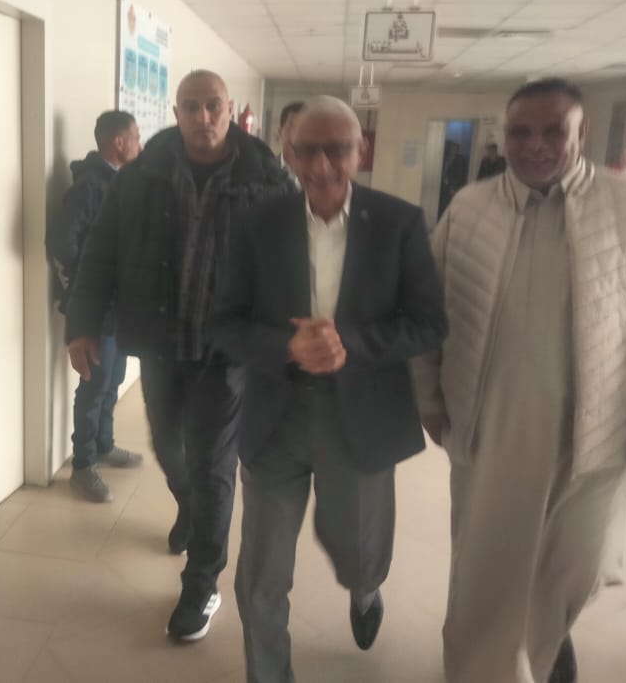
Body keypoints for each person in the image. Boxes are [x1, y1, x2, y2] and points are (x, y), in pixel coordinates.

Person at [412, 77, 626, 683]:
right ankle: (485, 669)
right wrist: (428, 398)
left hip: (597, 432)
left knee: (572, 568)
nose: (536, 144)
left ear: (583, 132)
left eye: (555, 130)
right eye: (521, 132)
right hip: (492, 426)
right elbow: (426, 313)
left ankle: (540, 649)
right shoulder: (469, 208)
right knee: (487, 572)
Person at [211, 98, 447, 682]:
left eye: (337, 149)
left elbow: (428, 323)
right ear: (287, 153)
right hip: (276, 413)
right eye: (306, 151)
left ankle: (365, 591)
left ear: (360, 151)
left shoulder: (398, 222)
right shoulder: (257, 222)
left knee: (358, 553)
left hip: (362, 417)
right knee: (262, 574)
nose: (321, 165)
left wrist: (351, 345)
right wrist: (286, 346)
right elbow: (224, 323)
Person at [65, 70, 291, 641]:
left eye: (213, 105)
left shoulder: (267, 178)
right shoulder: (141, 175)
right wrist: (82, 324)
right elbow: (100, 252)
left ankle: (201, 583)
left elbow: (294, 264)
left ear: (231, 109)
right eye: (191, 106)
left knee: (215, 466)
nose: (202, 117)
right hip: (162, 343)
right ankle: (189, 506)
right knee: (170, 449)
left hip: (227, 354)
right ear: (176, 112)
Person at [46, 110, 144, 502]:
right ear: (119, 142)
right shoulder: (89, 187)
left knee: (113, 378)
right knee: (94, 383)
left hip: (119, 305)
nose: (140, 144)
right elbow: (61, 243)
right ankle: (83, 465)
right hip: (97, 308)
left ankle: (104, 444)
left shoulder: (120, 182)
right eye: (136, 137)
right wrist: (89, 282)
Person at [277, 101, 304, 188]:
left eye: (303, 129)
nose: (297, 135)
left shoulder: (320, 175)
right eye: (292, 127)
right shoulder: (263, 172)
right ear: (280, 132)